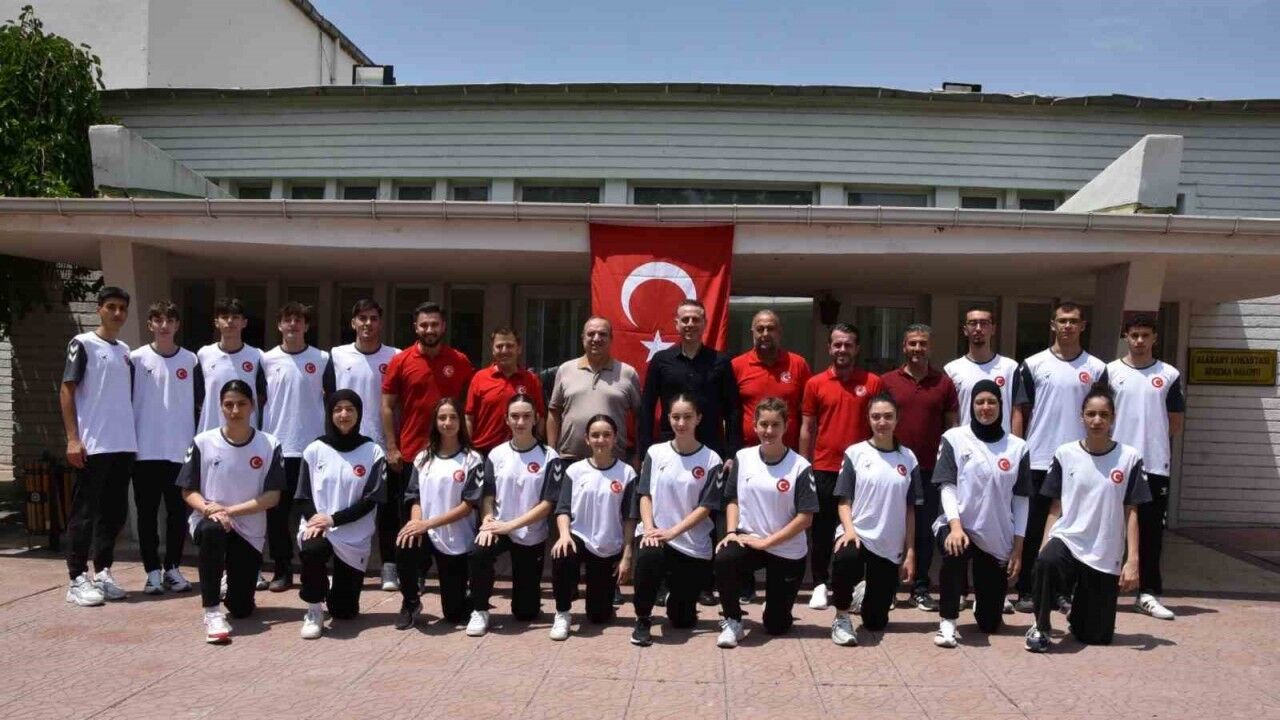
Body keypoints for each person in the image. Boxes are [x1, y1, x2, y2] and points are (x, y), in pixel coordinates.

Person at [1025, 383, 1151, 652]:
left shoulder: (1129, 457)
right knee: (1046, 561)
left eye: (1104, 415)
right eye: (1091, 414)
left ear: (1113, 418)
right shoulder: (1065, 453)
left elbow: (1132, 511)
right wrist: (1044, 545)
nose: (1097, 420)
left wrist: (1133, 560)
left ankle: (1076, 610)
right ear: (1081, 417)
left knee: (1096, 636)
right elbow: (1055, 507)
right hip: (1069, 538)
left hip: (1104, 550)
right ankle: (1041, 626)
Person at [1011, 302, 1106, 612]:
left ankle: (1062, 592)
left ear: (1083, 326)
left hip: (1081, 461)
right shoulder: (1033, 364)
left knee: (1074, 529)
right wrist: (1019, 452)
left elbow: (1102, 413)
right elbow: (1019, 411)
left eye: (1073, 321)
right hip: (1039, 459)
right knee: (1034, 528)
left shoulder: (1096, 368)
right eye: (1062, 320)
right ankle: (1027, 590)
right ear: (1052, 324)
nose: (1067, 326)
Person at [176, 380, 285, 644]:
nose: (235, 410)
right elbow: (188, 490)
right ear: (221, 407)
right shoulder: (203, 442)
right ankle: (212, 611)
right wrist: (209, 509)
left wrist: (229, 511)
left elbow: (272, 497)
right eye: (229, 404)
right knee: (213, 532)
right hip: (210, 520)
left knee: (241, 609)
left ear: (252, 406)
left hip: (248, 528)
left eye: (241, 404)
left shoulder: (269, 444)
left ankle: (230, 582)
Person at [931, 380, 1031, 648]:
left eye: (991, 402)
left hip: (995, 533)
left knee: (989, 623)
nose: (985, 407)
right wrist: (955, 527)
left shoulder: (1018, 447)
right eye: (979, 402)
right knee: (955, 551)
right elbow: (947, 486)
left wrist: (1018, 548)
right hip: (957, 524)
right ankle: (947, 621)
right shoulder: (954, 438)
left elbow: (1021, 500)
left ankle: (984, 605)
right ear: (971, 405)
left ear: (1001, 405)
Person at [1100, 314, 1185, 621]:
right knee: (1107, 528)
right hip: (1113, 462)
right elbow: (1099, 414)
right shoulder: (1110, 371)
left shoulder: (1169, 374)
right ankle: (1101, 589)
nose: (1139, 341)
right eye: (1134, 335)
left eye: (1145, 335)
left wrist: (1152, 442)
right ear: (1126, 337)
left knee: (1150, 533)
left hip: (1154, 465)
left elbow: (1175, 422)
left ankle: (1147, 593)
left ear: (1154, 338)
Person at [715, 398, 817, 648]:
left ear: (786, 426)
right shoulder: (743, 457)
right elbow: (732, 498)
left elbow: (805, 518)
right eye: (763, 424)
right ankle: (733, 620)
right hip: (750, 540)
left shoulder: (800, 466)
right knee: (725, 557)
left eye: (775, 425)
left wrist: (767, 543)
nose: (769, 431)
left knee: (776, 626)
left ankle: (776, 608)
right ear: (754, 425)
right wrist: (731, 531)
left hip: (786, 549)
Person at [60, 286, 138, 605]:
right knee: (85, 513)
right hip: (94, 445)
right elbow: (67, 390)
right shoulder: (82, 343)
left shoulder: (125, 350)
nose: (117, 313)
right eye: (111, 307)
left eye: (122, 308)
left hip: (123, 444)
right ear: (99, 309)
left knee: (114, 513)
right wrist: (73, 438)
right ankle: (76, 578)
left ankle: (103, 572)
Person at [630, 393, 725, 646]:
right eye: (675, 417)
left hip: (691, 543)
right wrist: (649, 528)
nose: (681, 423)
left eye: (687, 417)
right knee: (649, 556)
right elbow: (644, 494)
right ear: (669, 419)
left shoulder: (711, 459)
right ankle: (643, 618)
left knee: (682, 620)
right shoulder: (655, 452)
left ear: (698, 419)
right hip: (656, 534)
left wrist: (673, 532)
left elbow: (706, 507)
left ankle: (676, 597)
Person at [827, 393, 922, 646]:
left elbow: (910, 509)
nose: (882, 422)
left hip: (888, 544)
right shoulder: (855, 453)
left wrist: (910, 551)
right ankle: (842, 616)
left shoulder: (908, 458)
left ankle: (864, 593)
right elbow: (844, 501)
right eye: (876, 416)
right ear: (868, 419)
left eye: (888, 417)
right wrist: (849, 531)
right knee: (846, 557)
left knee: (875, 621)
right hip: (857, 533)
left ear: (897, 419)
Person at [799, 323, 882, 611]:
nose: (842, 349)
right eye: (837, 344)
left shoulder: (872, 382)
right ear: (829, 348)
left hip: (861, 470)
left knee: (857, 528)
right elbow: (807, 427)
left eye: (848, 344)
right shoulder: (815, 383)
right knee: (822, 530)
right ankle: (820, 584)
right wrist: (804, 466)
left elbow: (880, 423)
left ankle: (852, 585)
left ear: (857, 348)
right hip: (824, 467)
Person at [294, 389, 387, 639]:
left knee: (345, 611)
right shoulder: (315, 449)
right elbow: (302, 496)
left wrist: (333, 519)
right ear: (329, 413)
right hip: (318, 528)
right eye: (337, 409)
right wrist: (316, 520)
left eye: (349, 409)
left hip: (353, 534)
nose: (343, 415)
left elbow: (371, 500)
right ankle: (314, 609)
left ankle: (335, 586)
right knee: (312, 549)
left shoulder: (372, 451)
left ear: (359, 413)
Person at [467, 394, 560, 636]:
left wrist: (511, 526)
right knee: (479, 551)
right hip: (499, 527)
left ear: (536, 419)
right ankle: (479, 609)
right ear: (506, 420)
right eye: (515, 416)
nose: (520, 422)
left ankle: (527, 600)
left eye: (526, 416)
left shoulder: (549, 456)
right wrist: (488, 520)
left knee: (525, 612)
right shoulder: (496, 454)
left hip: (530, 532)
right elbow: (488, 496)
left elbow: (547, 504)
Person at [879, 323, 957, 612]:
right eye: (912, 343)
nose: (917, 348)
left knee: (924, 531)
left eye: (922, 343)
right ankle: (887, 588)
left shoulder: (943, 383)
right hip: (892, 466)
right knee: (890, 528)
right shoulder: (887, 381)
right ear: (904, 346)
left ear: (930, 347)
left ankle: (920, 588)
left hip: (928, 470)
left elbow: (951, 427)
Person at [380, 302, 456, 592]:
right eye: (424, 325)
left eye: (434, 324)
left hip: (449, 454)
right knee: (412, 516)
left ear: (443, 326)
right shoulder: (401, 361)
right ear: (415, 327)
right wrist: (392, 447)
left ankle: (451, 572)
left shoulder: (459, 361)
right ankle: (416, 573)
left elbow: (467, 408)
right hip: (411, 453)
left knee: (447, 512)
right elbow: (387, 406)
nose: (429, 330)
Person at [392, 397, 485, 630]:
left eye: (453, 417)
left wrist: (427, 524)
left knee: (453, 614)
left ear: (461, 421)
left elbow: (468, 506)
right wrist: (416, 524)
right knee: (405, 543)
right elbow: (415, 497)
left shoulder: (472, 459)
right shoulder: (423, 458)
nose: (447, 422)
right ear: (435, 422)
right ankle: (410, 602)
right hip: (427, 532)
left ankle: (470, 594)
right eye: (442, 417)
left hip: (456, 539)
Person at [261, 302, 330, 591]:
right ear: (279, 325)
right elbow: (258, 402)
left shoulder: (322, 359)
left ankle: (314, 567)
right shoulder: (266, 360)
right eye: (287, 320)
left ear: (306, 326)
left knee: (313, 512)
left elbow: (333, 401)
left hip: (312, 451)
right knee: (277, 515)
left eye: (298, 320)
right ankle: (282, 569)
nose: (293, 324)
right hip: (277, 448)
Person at [549, 414, 637, 641]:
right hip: (578, 537)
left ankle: (601, 600)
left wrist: (627, 554)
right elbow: (563, 509)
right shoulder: (574, 471)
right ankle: (562, 612)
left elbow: (630, 517)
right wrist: (564, 535)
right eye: (595, 435)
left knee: (598, 616)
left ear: (615, 438)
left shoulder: (627, 473)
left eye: (606, 435)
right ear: (587, 439)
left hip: (608, 546)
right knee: (562, 553)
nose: (601, 440)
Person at [130, 300, 197, 595]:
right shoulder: (135, 359)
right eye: (158, 320)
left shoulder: (191, 361)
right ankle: (152, 572)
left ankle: (172, 567)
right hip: (144, 451)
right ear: (150, 325)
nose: (164, 325)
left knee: (177, 515)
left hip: (179, 452)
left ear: (177, 324)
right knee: (146, 515)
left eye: (170, 320)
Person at [639, 299, 741, 458]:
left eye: (696, 319)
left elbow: (732, 410)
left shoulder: (721, 362)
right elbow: (647, 407)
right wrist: (644, 451)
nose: (690, 324)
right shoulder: (661, 360)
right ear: (677, 324)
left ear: (704, 324)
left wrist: (731, 454)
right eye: (685, 319)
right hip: (670, 446)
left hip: (710, 447)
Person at [547, 316, 642, 462]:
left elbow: (639, 417)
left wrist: (637, 455)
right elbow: (554, 411)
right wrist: (551, 452)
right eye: (591, 334)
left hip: (613, 461)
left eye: (602, 334)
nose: (596, 338)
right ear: (582, 338)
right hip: (570, 458)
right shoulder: (565, 370)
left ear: (611, 339)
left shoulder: (627, 373)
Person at [732, 309, 811, 451]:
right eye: (760, 329)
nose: (765, 334)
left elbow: (808, 414)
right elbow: (729, 413)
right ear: (752, 333)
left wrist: (805, 454)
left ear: (779, 332)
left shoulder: (798, 364)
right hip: (748, 452)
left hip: (789, 452)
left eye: (770, 329)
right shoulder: (737, 365)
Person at [324, 298, 397, 448]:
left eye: (373, 319)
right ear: (353, 323)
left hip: (383, 443)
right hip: (345, 439)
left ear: (380, 324)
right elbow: (329, 400)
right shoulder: (337, 355)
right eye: (362, 318)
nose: (368, 323)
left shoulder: (395, 356)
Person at [465, 328, 545, 454]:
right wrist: (467, 449)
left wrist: (537, 446)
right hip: (484, 451)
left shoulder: (531, 380)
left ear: (519, 349)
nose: (504, 350)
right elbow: (469, 417)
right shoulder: (479, 378)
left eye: (509, 346)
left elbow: (540, 416)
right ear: (492, 350)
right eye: (499, 346)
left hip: (521, 451)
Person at [195, 297, 266, 434]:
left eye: (235, 317)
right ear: (216, 322)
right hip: (211, 432)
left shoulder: (257, 356)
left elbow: (263, 398)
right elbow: (197, 398)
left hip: (247, 434)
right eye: (224, 317)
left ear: (244, 322)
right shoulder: (204, 354)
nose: (230, 321)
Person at [945, 306, 1018, 431]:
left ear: (993, 329)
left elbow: (1017, 412)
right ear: (965, 330)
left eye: (984, 323)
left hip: (1002, 442)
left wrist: (1017, 442)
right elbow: (950, 415)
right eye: (973, 323)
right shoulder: (951, 370)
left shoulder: (1010, 368)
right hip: (966, 441)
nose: (978, 328)